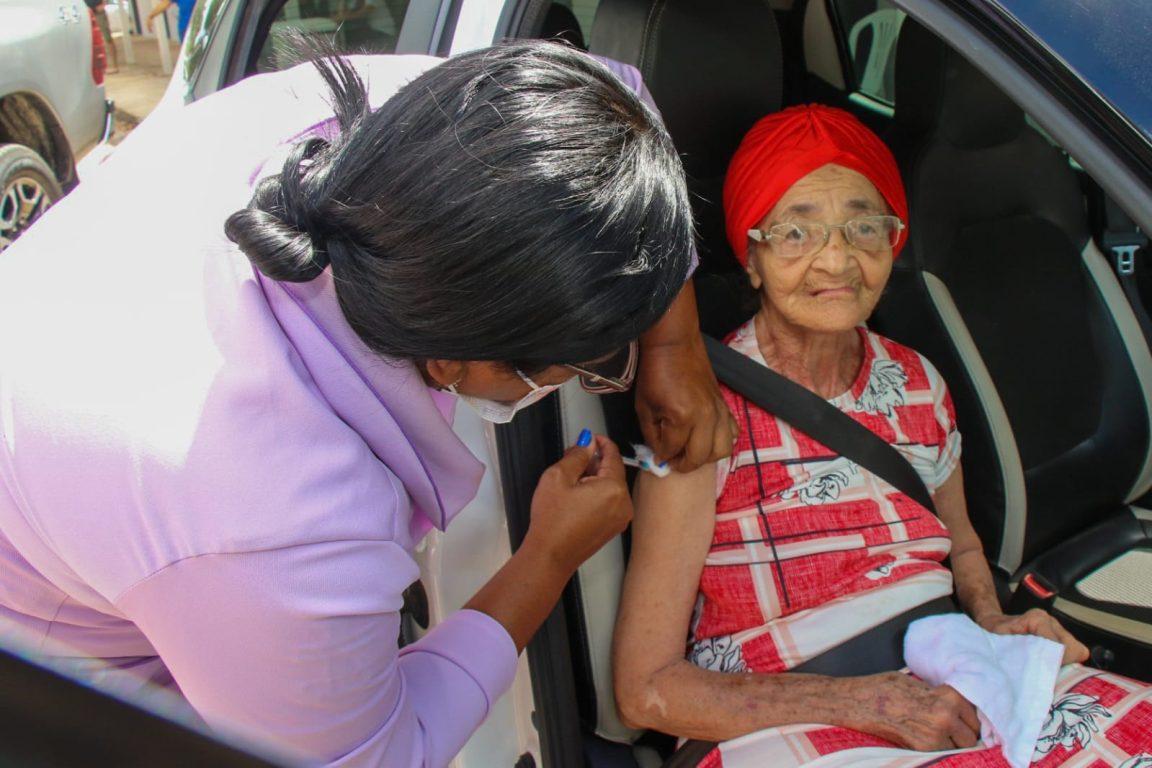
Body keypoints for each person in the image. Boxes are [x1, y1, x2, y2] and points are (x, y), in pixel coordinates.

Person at [0, 43, 734, 766]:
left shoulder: (419, 125)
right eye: (590, 366)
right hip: (53, 656)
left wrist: (674, 351)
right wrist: (547, 556)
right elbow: (381, 755)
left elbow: (615, 98)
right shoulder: (274, 527)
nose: (600, 375)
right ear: (453, 362)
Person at [613, 104, 1152, 766]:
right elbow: (646, 692)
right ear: (751, 259)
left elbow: (961, 546)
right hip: (787, 714)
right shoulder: (700, 410)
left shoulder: (919, 380)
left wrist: (994, 621)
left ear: (893, 243)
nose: (836, 259)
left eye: (863, 227)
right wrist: (861, 704)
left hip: (954, 677)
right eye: (795, 234)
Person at [84, 0, 120, 73]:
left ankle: (114, 66)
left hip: (97, 10)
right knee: (90, 40)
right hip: (86, 11)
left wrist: (103, 3)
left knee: (107, 38)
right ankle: (97, 66)